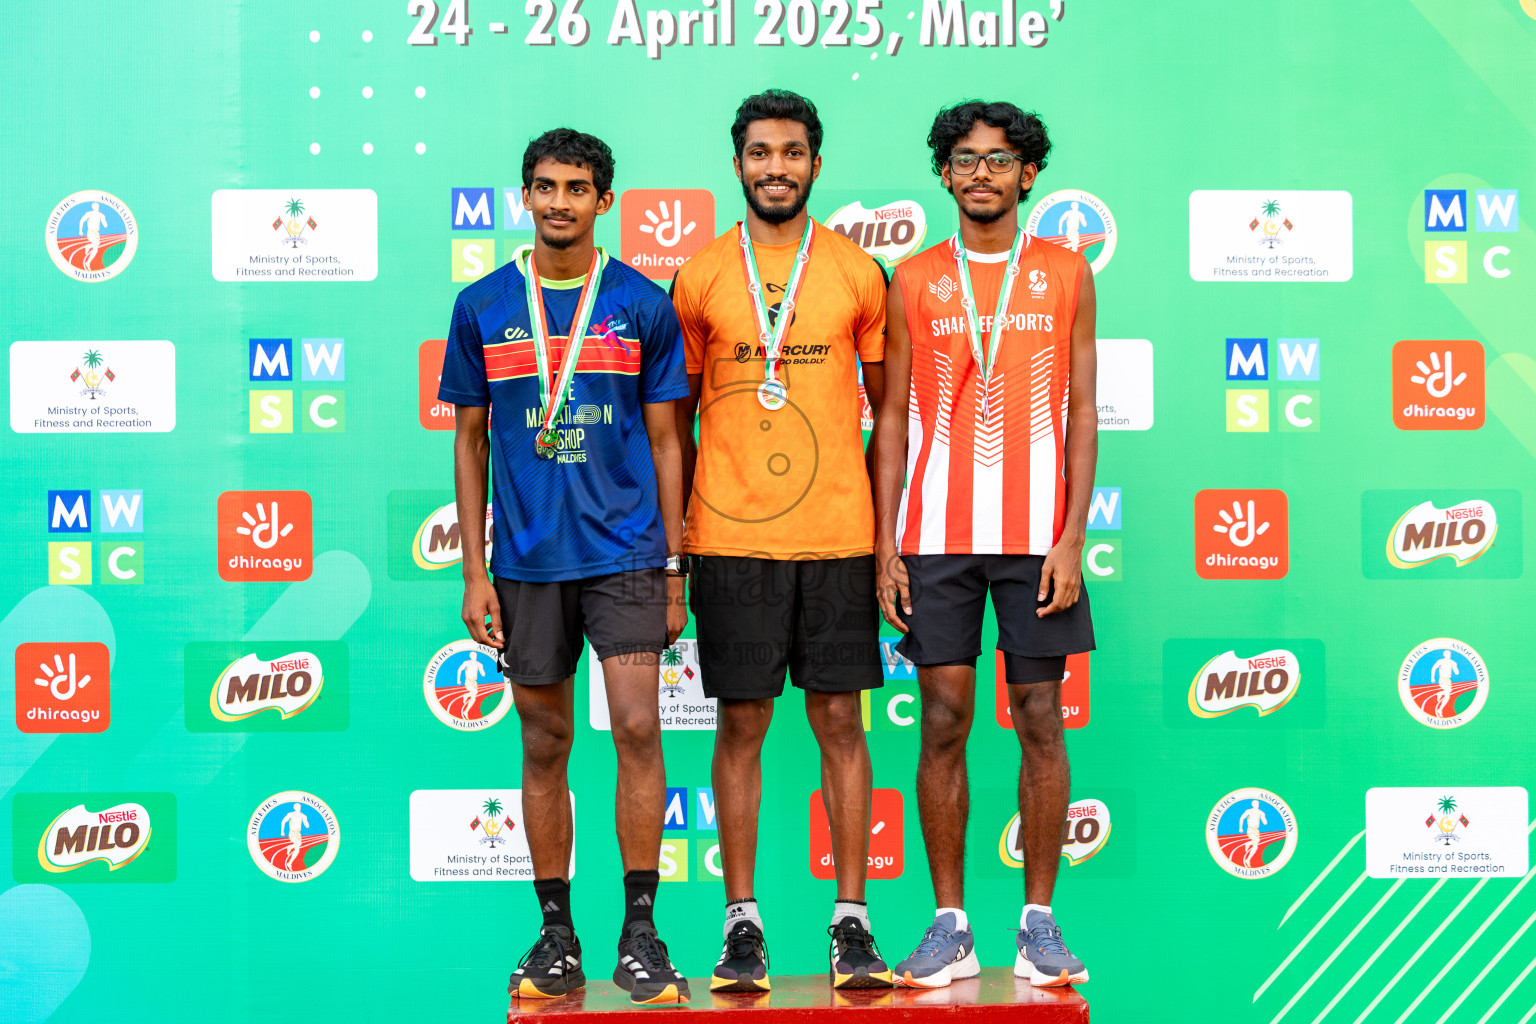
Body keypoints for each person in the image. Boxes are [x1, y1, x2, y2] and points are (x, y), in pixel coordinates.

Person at [440, 128, 692, 1006]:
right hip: (527, 561)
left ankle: (640, 933)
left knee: (638, 729)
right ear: (525, 196)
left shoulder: (641, 303)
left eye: (577, 188)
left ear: (603, 200)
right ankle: (556, 936)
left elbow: (668, 439)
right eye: (545, 187)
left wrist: (673, 565)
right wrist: (474, 573)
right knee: (544, 739)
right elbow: (469, 442)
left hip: (626, 553)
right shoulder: (481, 305)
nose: (559, 202)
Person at [671, 89, 893, 992]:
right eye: (760, 153)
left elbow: (891, 414)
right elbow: (672, 425)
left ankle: (852, 922)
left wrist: (886, 542)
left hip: (838, 535)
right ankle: (742, 925)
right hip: (732, 538)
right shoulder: (699, 276)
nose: (776, 167)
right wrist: (683, 541)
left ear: (816, 163)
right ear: (737, 165)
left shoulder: (857, 271)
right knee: (742, 723)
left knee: (840, 721)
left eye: (792, 152)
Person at [873, 101, 1098, 990]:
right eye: (964, 159)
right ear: (944, 173)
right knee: (942, 721)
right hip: (936, 539)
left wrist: (1072, 535)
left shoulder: (1067, 271)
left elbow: (1083, 411)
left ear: (1028, 173)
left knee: (1040, 718)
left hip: (1038, 541)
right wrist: (887, 545)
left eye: (999, 160)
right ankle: (951, 925)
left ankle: (1039, 926)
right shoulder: (913, 276)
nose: (980, 174)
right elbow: (893, 415)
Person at [1238, 799, 1268, 867]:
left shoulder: (1261, 812)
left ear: (1258, 805)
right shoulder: (1249, 811)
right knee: (1257, 840)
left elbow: (1265, 823)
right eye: (1254, 804)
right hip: (1250, 829)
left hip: (1256, 830)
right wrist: (1240, 828)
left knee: (1255, 846)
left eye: (1257, 804)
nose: (1256, 805)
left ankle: (1248, 859)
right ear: (1252, 805)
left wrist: (1263, 816)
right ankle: (1247, 844)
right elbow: (1241, 818)